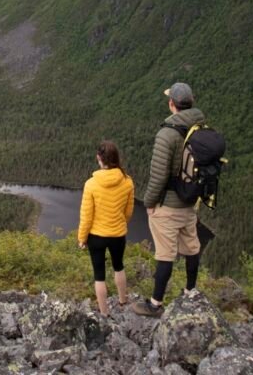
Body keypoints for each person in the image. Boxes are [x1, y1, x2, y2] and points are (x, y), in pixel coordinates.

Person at [133, 82, 205, 317]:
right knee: (192, 249)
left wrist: (149, 203)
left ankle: (155, 304)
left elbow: (159, 175)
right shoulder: (201, 128)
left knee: (165, 254)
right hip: (190, 202)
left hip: (169, 205)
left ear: (172, 104)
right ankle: (191, 292)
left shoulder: (167, 133)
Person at [78, 140, 135, 316]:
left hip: (96, 236)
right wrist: (119, 222)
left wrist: (82, 238)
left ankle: (104, 313)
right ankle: (123, 300)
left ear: (99, 158)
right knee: (119, 266)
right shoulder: (127, 181)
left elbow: (86, 216)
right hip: (118, 234)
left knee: (99, 275)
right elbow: (129, 211)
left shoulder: (91, 184)